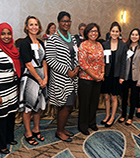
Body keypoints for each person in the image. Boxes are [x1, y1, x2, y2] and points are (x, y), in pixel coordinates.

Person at [0, 23, 21, 154]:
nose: (6, 36)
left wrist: (16, 86)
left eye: (8, 33)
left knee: (10, 115)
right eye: (3, 33)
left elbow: (14, 70)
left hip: (11, 88)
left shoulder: (12, 48)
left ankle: (8, 138)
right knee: (0, 117)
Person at [46, 11, 79, 142]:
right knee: (66, 105)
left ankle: (62, 128)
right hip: (61, 79)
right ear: (59, 22)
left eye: (68, 21)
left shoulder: (72, 38)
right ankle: (59, 131)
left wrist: (76, 67)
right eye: (64, 21)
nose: (67, 23)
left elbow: (76, 54)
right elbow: (50, 60)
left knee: (69, 105)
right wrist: (67, 71)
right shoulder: (53, 38)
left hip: (73, 77)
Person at [19, 16, 48, 146]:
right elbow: (28, 64)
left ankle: (36, 129)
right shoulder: (24, 43)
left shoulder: (41, 43)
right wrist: (39, 79)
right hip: (31, 78)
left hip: (42, 77)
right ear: (26, 27)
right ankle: (28, 132)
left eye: (36, 24)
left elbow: (44, 61)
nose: (34, 27)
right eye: (31, 24)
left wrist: (46, 77)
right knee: (28, 107)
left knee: (39, 106)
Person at [78, 23, 105, 135]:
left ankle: (91, 123)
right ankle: (83, 125)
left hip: (98, 79)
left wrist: (102, 73)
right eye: (91, 31)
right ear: (87, 33)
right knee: (85, 103)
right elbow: (82, 64)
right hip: (86, 79)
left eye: (96, 31)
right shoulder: (83, 45)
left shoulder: (99, 45)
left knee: (94, 102)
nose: (94, 33)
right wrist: (94, 76)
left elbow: (102, 61)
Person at [100, 22, 127, 127]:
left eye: (117, 31)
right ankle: (107, 115)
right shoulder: (105, 44)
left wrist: (122, 76)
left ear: (119, 33)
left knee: (114, 97)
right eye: (113, 31)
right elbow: (102, 60)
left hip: (116, 75)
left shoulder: (123, 45)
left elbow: (124, 63)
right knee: (106, 97)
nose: (114, 33)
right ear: (109, 32)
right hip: (107, 74)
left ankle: (112, 117)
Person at [118, 28, 140, 125]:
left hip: (136, 78)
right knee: (124, 97)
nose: (134, 36)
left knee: (133, 98)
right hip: (126, 77)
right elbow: (122, 63)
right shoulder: (126, 47)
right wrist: (121, 76)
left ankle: (130, 117)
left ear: (139, 37)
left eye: (136, 35)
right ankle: (123, 115)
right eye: (132, 34)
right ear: (130, 36)